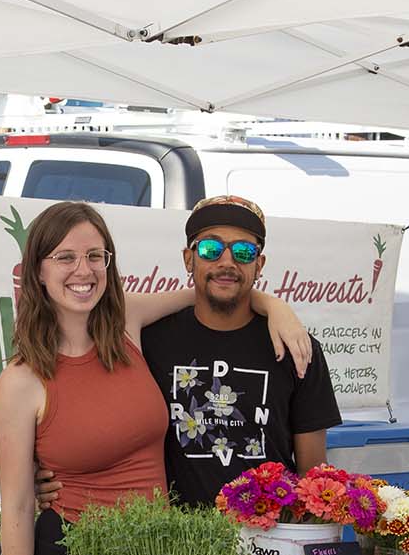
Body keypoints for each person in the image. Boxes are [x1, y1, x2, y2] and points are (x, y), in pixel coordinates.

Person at [0, 200, 311, 555]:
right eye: (65, 257)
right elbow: (18, 508)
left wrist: (275, 306)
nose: (83, 270)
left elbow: (209, 291)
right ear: (38, 270)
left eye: (95, 256)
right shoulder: (21, 382)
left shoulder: (128, 324)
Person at [137, 194, 341, 507]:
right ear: (188, 258)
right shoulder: (149, 341)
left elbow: (313, 474)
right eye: (210, 249)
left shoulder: (297, 347)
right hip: (175, 544)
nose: (227, 262)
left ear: (259, 265)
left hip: (269, 542)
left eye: (244, 252)